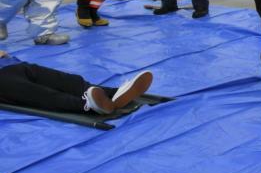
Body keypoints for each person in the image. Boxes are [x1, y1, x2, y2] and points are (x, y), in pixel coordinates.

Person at [0, 50, 152, 114]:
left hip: (12, 64)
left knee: (69, 81)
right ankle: (87, 106)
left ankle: (113, 93)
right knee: (41, 94)